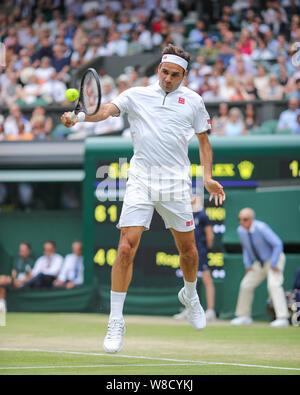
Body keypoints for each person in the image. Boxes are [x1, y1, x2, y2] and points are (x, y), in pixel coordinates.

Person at [61, 44, 225, 353]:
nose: (167, 79)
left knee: (189, 252)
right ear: (158, 69)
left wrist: (206, 177)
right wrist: (80, 118)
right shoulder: (136, 95)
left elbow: (204, 142)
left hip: (176, 183)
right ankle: (115, 319)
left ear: (184, 75)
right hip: (141, 180)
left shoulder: (194, 102)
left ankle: (190, 294)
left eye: (174, 75)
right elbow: (107, 110)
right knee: (125, 247)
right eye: (164, 72)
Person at [231, 208, 289, 328]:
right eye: (239, 219)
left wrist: (273, 263)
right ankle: (244, 316)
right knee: (246, 285)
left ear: (252, 219)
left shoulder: (261, 228)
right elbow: (246, 248)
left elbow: (278, 244)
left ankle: (283, 318)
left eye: (245, 219)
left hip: (275, 259)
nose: (242, 222)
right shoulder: (240, 230)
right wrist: (247, 264)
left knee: (273, 285)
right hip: (259, 263)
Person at [174, 195, 216, 322]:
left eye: (193, 196)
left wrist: (207, 249)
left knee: (207, 279)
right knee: (189, 280)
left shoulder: (202, 215)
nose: (191, 198)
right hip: (187, 252)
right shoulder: (184, 213)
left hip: (200, 251)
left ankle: (210, 311)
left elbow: (210, 235)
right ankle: (189, 309)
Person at [0, 242, 34, 311]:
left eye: (24, 250)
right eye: (20, 250)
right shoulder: (17, 261)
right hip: (15, 282)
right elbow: (13, 274)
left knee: (2, 279)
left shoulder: (32, 262)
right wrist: (15, 280)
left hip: (25, 283)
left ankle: (2, 305)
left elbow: (31, 276)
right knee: (2, 283)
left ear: (29, 251)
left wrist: (22, 282)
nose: (21, 251)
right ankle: (2, 305)